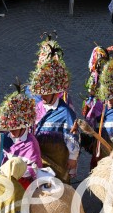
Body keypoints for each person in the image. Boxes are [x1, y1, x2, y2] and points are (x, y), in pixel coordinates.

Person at [31, 37, 79, 183]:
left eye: (45, 93)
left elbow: (73, 137)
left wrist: (73, 157)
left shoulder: (66, 113)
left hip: (58, 163)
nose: (42, 96)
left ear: (55, 92)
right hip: (40, 161)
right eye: (41, 93)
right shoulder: (36, 108)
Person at [0, 80, 41, 185]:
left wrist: (15, 172)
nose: (11, 132)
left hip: (23, 183)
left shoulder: (31, 144)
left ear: (22, 127)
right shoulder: (6, 138)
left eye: (14, 129)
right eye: (9, 129)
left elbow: (34, 169)